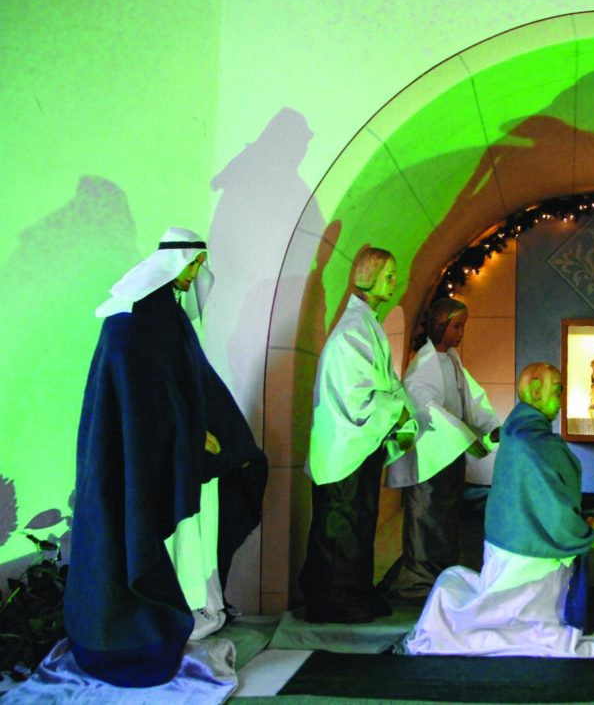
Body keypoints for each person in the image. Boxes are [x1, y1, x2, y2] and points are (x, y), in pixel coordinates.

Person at [64, 228, 267, 687]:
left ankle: (193, 613)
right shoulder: (131, 321)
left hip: (172, 454)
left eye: (200, 265)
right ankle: (158, 623)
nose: (197, 273)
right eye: (194, 264)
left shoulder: (163, 315)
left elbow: (183, 385)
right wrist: (189, 438)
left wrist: (207, 435)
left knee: (190, 540)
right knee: (154, 535)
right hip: (145, 461)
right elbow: (140, 402)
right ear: (177, 262)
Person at [404, 363, 594, 657]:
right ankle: (447, 620)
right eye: (557, 390)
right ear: (535, 391)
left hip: (515, 539)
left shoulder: (519, 431)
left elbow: (542, 499)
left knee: (512, 611)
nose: (561, 398)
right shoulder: (530, 441)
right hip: (527, 550)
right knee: (529, 624)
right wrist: (588, 534)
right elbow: (550, 506)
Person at [299, 247, 416, 624]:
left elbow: (384, 385)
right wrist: (397, 409)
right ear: (368, 276)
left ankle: (355, 591)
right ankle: (333, 599)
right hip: (344, 447)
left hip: (358, 445)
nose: (394, 282)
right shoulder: (353, 330)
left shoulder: (365, 325)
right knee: (342, 525)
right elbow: (357, 395)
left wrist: (398, 409)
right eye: (388, 275)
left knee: (358, 522)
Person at [386, 298, 500, 599]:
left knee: (448, 516)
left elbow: (471, 397)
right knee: (426, 515)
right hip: (429, 457)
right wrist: (465, 437)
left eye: (462, 326)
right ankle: (419, 578)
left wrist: (490, 426)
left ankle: (444, 572)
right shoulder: (422, 366)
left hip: (450, 454)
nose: (461, 333)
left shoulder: (451, 361)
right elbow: (427, 409)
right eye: (456, 326)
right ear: (439, 326)